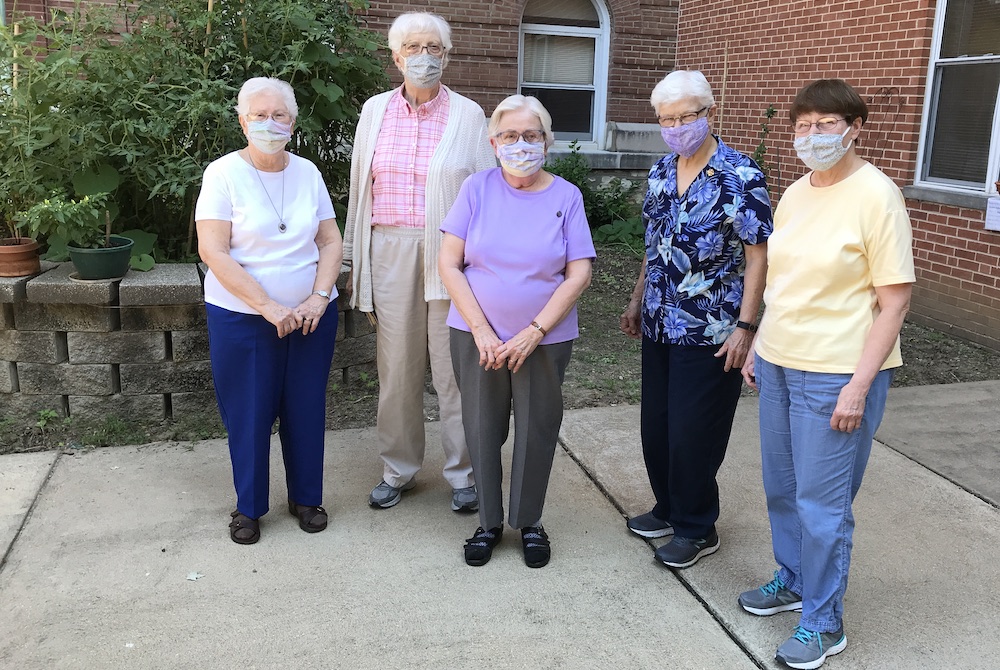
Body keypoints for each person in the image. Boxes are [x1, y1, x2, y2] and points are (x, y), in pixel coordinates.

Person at [738, 79, 915, 670]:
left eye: (826, 123)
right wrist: (761, 340)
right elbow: (784, 281)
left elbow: (893, 302)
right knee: (782, 489)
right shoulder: (795, 193)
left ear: (855, 126)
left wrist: (859, 385)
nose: (813, 135)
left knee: (823, 504)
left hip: (837, 372)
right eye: (803, 124)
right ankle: (792, 579)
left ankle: (823, 621)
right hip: (782, 363)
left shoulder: (876, 196)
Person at [343, 12, 495, 513]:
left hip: (452, 254)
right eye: (413, 46)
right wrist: (352, 255)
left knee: (455, 369)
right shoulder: (373, 111)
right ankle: (398, 469)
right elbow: (358, 190)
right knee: (398, 368)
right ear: (395, 55)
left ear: (447, 56)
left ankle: (464, 473)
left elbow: (488, 194)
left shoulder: (471, 116)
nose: (423, 56)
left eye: (434, 47)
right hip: (388, 249)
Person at [620, 70, 772, 568]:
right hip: (661, 319)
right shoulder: (662, 169)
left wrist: (746, 329)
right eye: (666, 119)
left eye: (686, 116)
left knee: (694, 430)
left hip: (712, 327)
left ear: (710, 112)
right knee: (657, 426)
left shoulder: (739, 174)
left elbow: (757, 257)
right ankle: (668, 507)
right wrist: (638, 297)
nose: (676, 126)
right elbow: (654, 243)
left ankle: (697, 526)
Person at [439, 95, 595, 568]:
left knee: (537, 428)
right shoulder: (475, 189)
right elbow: (450, 263)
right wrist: (483, 331)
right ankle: (486, 522)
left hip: (544, 338)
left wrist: (533, 331)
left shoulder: (566, 195)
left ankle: (529, 521)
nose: (520, 144)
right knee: (481, 427)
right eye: (509, 136)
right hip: (476, 336)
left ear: (547, 141)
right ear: (493, 142)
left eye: (531, 135)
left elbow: (579, 272)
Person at [196, 77, 342, 545]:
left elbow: (330, 240)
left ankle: (305, 497)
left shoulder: (308, 173)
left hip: (312, 316)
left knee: (304, 407)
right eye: (258, 115)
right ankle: (249, 507)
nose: (268, 123)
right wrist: (268, 306)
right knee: (249, 412)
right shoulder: (222, 174)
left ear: (293, 123)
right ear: (242, 121)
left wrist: (318, 297)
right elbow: (213, 251)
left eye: (278, 115)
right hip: (243, 317)